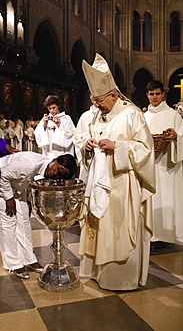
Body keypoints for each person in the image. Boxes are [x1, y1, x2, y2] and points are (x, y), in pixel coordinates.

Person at [76, 54, 155, 291]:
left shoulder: (131, 114)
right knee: (99, 227)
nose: (96, 106)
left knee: (118, 229)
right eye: (94, 101)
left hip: (122, 185)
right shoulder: (98, 116)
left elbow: (145, 149)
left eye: (100, 100)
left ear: (113, 95)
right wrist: (86, 146)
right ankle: (97, 272)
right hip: (98, 183)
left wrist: (117, 147)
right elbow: (82, 138)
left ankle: (120, 278)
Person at [0, 152, 77, 279]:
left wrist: (27, 200)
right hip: (0, 183)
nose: (55, 174)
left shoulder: (43, 169)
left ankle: (28, 259)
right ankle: (14, 263)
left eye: (60, 175)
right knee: (8, 223)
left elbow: (28, 181)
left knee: (24, 221)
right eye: (58, 169)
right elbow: (3, 173)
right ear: (55, 160)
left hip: (16, 186)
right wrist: (8, 198)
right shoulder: (29, 164)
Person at [144, 80, 183, 250]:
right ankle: (151, 234)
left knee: (166, 196)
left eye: (157, 94)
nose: (154, 97)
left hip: (167, 165)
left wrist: (175, 137)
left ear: (163, 94)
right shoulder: (143, 116)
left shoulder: (173, 114)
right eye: (151, 94)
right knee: (151, 198)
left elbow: (181, 135)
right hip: (149, 164)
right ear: (147, 95)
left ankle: (166, 234)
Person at [73, 95, 98, 181]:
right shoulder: (85, 116)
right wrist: (85, 142)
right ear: (90, 97)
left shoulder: (113, 116)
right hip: (89, 158)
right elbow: (77, 137)